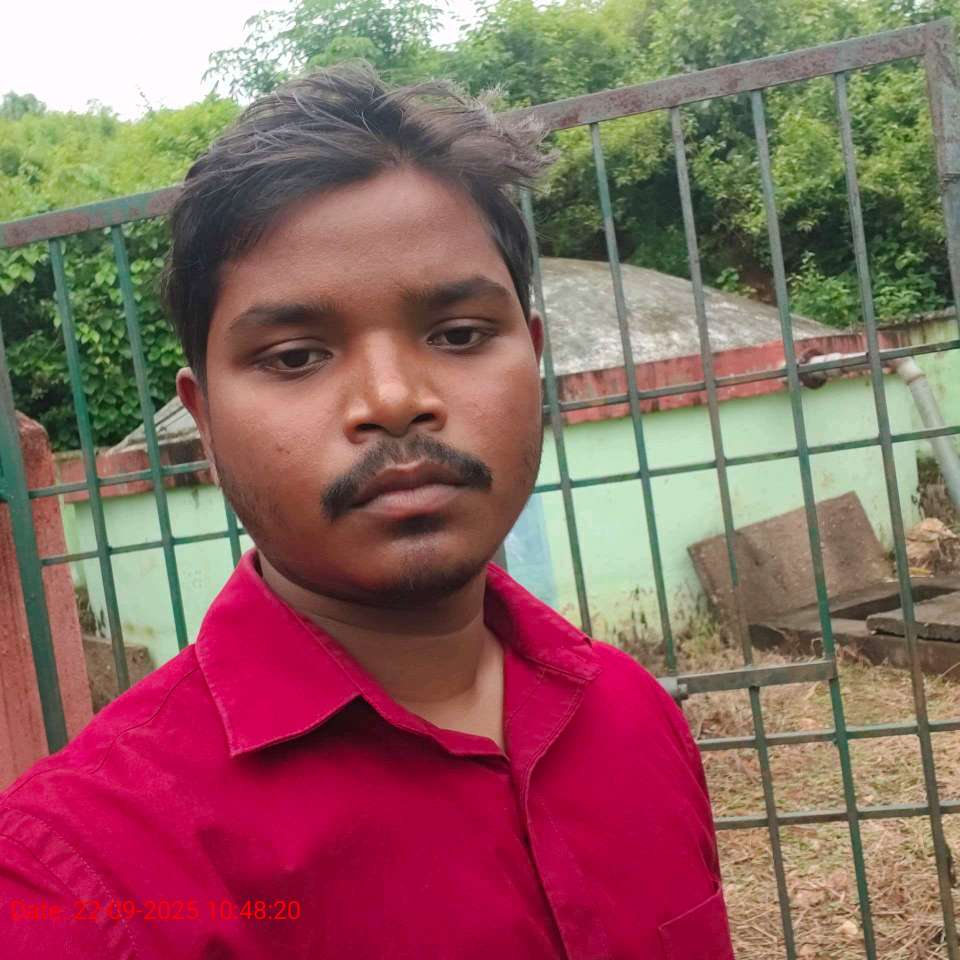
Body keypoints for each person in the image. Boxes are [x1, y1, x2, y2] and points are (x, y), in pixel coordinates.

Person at [0, 64, 733, 959]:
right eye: (295, 356)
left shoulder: (633, 715)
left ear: (533, 361)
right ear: (206, 421)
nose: (392, 400)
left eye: (459, 335)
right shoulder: (78, 877)